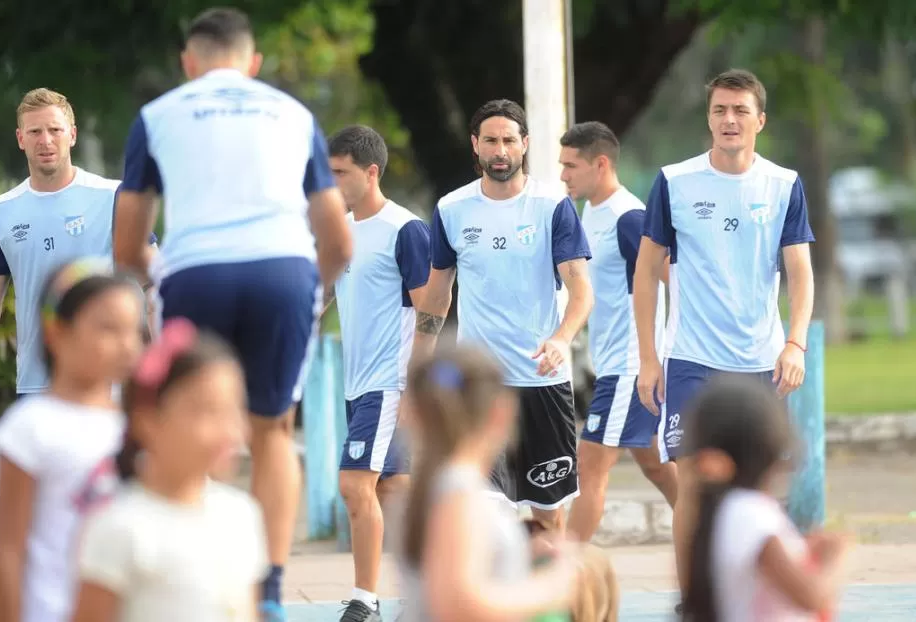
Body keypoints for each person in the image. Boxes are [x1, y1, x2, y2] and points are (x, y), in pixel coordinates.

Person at [111, 8, 352, 619]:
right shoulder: (294, 114)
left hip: (195, 273)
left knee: (183, 419)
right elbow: (338, 242)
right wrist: (309, 291)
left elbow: (126, 245)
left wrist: (152, 274)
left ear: (188, 63)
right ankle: (269, 591)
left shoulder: (159, 114)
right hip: (283, 269)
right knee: (272, 429)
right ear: (254, 63)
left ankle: (197, 579)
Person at [633, 69, 816, 607]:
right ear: (708, 118)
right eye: (719, 110)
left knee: (755, 484)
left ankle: (752, 596)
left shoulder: (784, 184)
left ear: (760, 120)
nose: (729, 119)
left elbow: (800, 272)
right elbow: (646, 272)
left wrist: (796, 342)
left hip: (761, 360)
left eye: (740, 110)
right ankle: (694, 597)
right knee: (692, 479)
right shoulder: (674, 181)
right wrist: (649, 358)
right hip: (690, 358)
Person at [412, 99, 593, 530]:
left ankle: (552, 597)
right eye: (490, 141)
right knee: (486, 510)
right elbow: (438, 296)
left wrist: (561, 339)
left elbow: (582, 291)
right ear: (475, 145)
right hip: (479, 384)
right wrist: (418, 364)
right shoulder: (452, 210)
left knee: (549, 516)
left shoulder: (552, 205)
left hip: (541, 381)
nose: (500, 151)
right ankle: (489, 594)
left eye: (509, 141)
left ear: (525, 144)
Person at [70, 318, 268, 622]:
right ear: (148, 421)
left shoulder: (242, 515)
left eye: (234, 409)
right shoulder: (118, 528)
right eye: (207, 410)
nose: (229, 429)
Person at [0, 258, 144, 622]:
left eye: (134, 330)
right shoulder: (30, 428)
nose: (127, 344)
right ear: (56, 331)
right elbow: (9, 551)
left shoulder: (140, 427)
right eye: (108, 329)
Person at [0, 88, 156, 396]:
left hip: (113, 384)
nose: (45, 141)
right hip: (38, 384)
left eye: (55, 130)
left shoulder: (112, 197)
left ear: (72, 135)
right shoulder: (1, 211)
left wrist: (161, 368)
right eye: (34, 131)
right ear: (21, 139)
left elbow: (154, 287)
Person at [326, 125, 429, 622]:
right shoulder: (340, 229)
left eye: (340, 173)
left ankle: (364, 599)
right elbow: (324, 291)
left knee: (353, 485)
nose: (332, 182)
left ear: (370, 173)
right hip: (356, 381)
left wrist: (416, 378)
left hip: (389, 382)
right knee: (391, 491)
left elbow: (432, 306)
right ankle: (433, 584)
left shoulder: (404, 229)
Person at [558, 122, 678, 542]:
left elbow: (675, 280)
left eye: (571, 166)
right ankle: (720, 545)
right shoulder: (590, 212)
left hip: (630, 369)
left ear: (601, 164)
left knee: (588, 469)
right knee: (658, 467)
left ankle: (560, 583)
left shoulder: (629, 218)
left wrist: (656, 356)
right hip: (612, 366)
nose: (563, 175)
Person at [400, 346, 581, 622]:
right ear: (502, 413)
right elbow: (458, 604)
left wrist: (516, 555)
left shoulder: (440, 486)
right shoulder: (458, 493)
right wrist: (551, 587)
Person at [681, 375, 851, 622]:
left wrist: (802, 553)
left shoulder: (724, 510)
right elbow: (811, 596)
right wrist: (834, 558)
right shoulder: (750, 512)